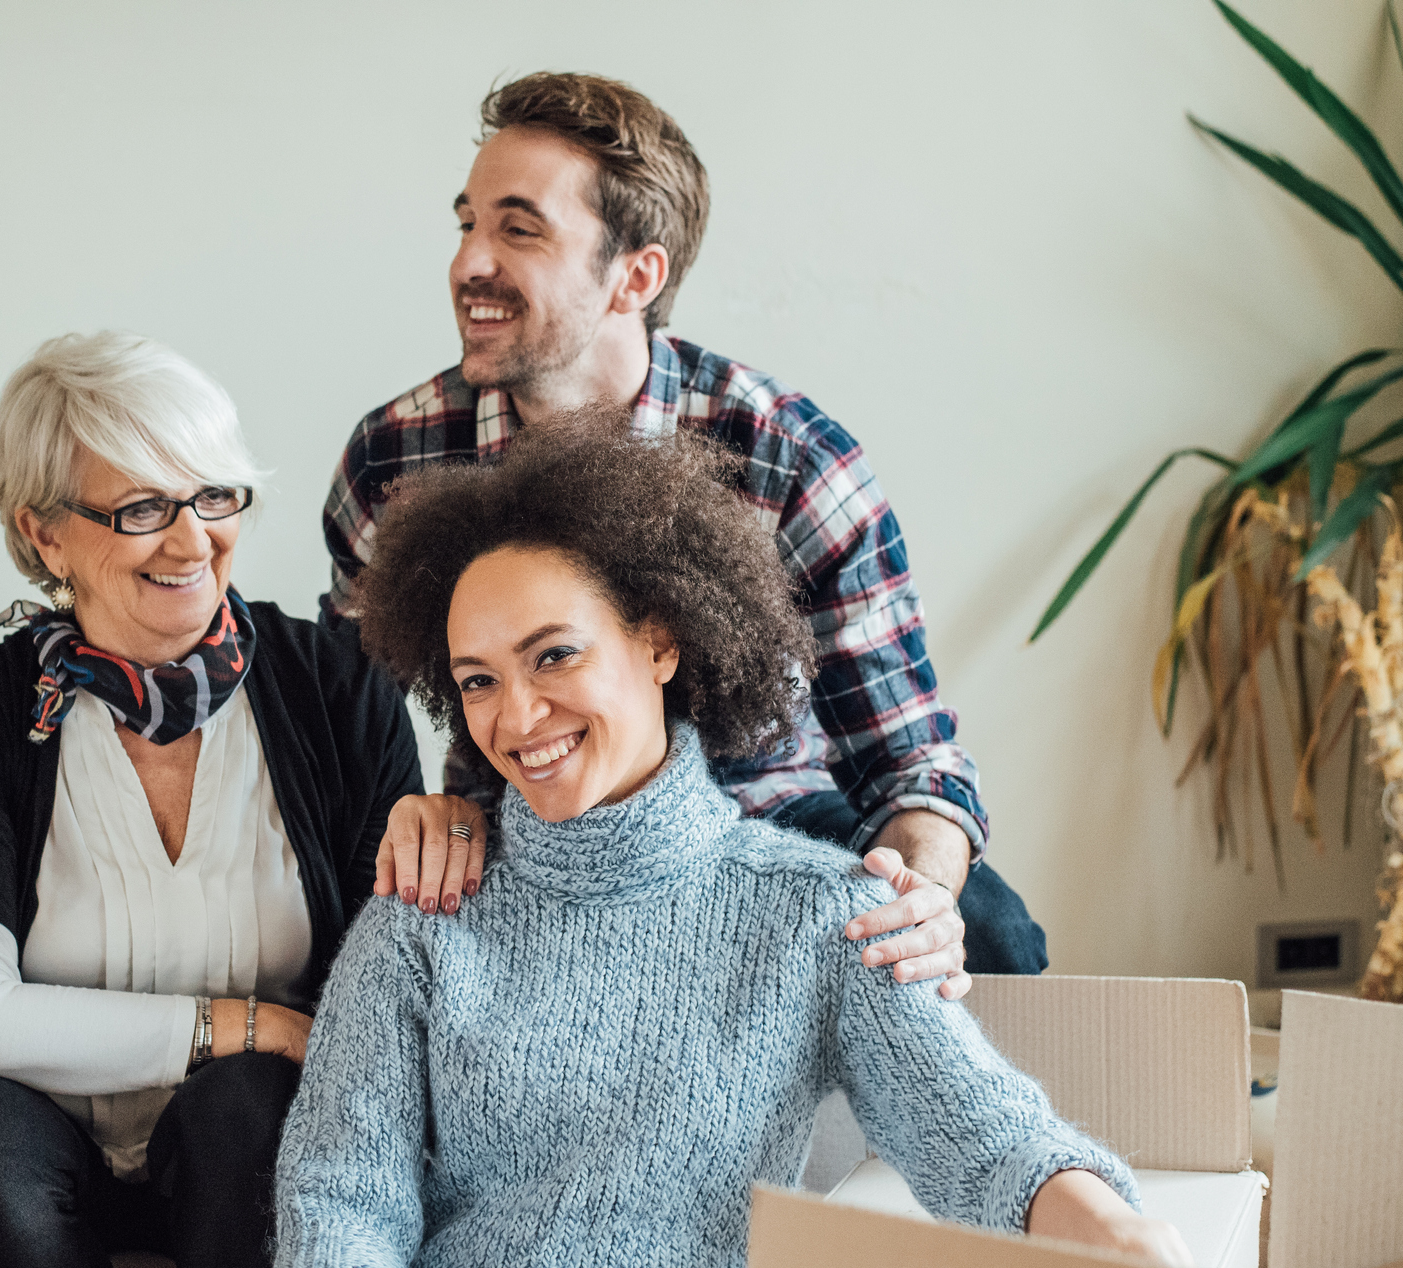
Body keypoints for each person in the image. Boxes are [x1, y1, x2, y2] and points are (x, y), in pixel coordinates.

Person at [271, 412, 1189, 1268]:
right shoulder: (422, 915)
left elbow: (987, 1140)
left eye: (554, 655)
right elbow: (336, 1211)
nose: (516, 714)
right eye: (477, 680)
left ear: (658, 640)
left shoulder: (815, 911)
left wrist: (1123, 1238)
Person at [326, 71, 1044, 985]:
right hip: (527, 829)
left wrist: (922, 898)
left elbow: (901, 753)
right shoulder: (396, 459)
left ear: (637, 273)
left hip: (761, 824)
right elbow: (353, 712)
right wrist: (423, 810)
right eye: (467, 222)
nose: (470, 261)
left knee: (993, 932)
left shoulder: (785, 456)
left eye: (519, 228)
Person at [0, 331, 422, 1268]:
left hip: (249, 1152)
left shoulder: (337, 685)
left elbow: (391, 973)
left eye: (214, 495)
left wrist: (259, 1052)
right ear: (43, 533)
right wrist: (246, 1019)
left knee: (252, 1098)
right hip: (43, 1167)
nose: (192, 539)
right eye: (139, 507)